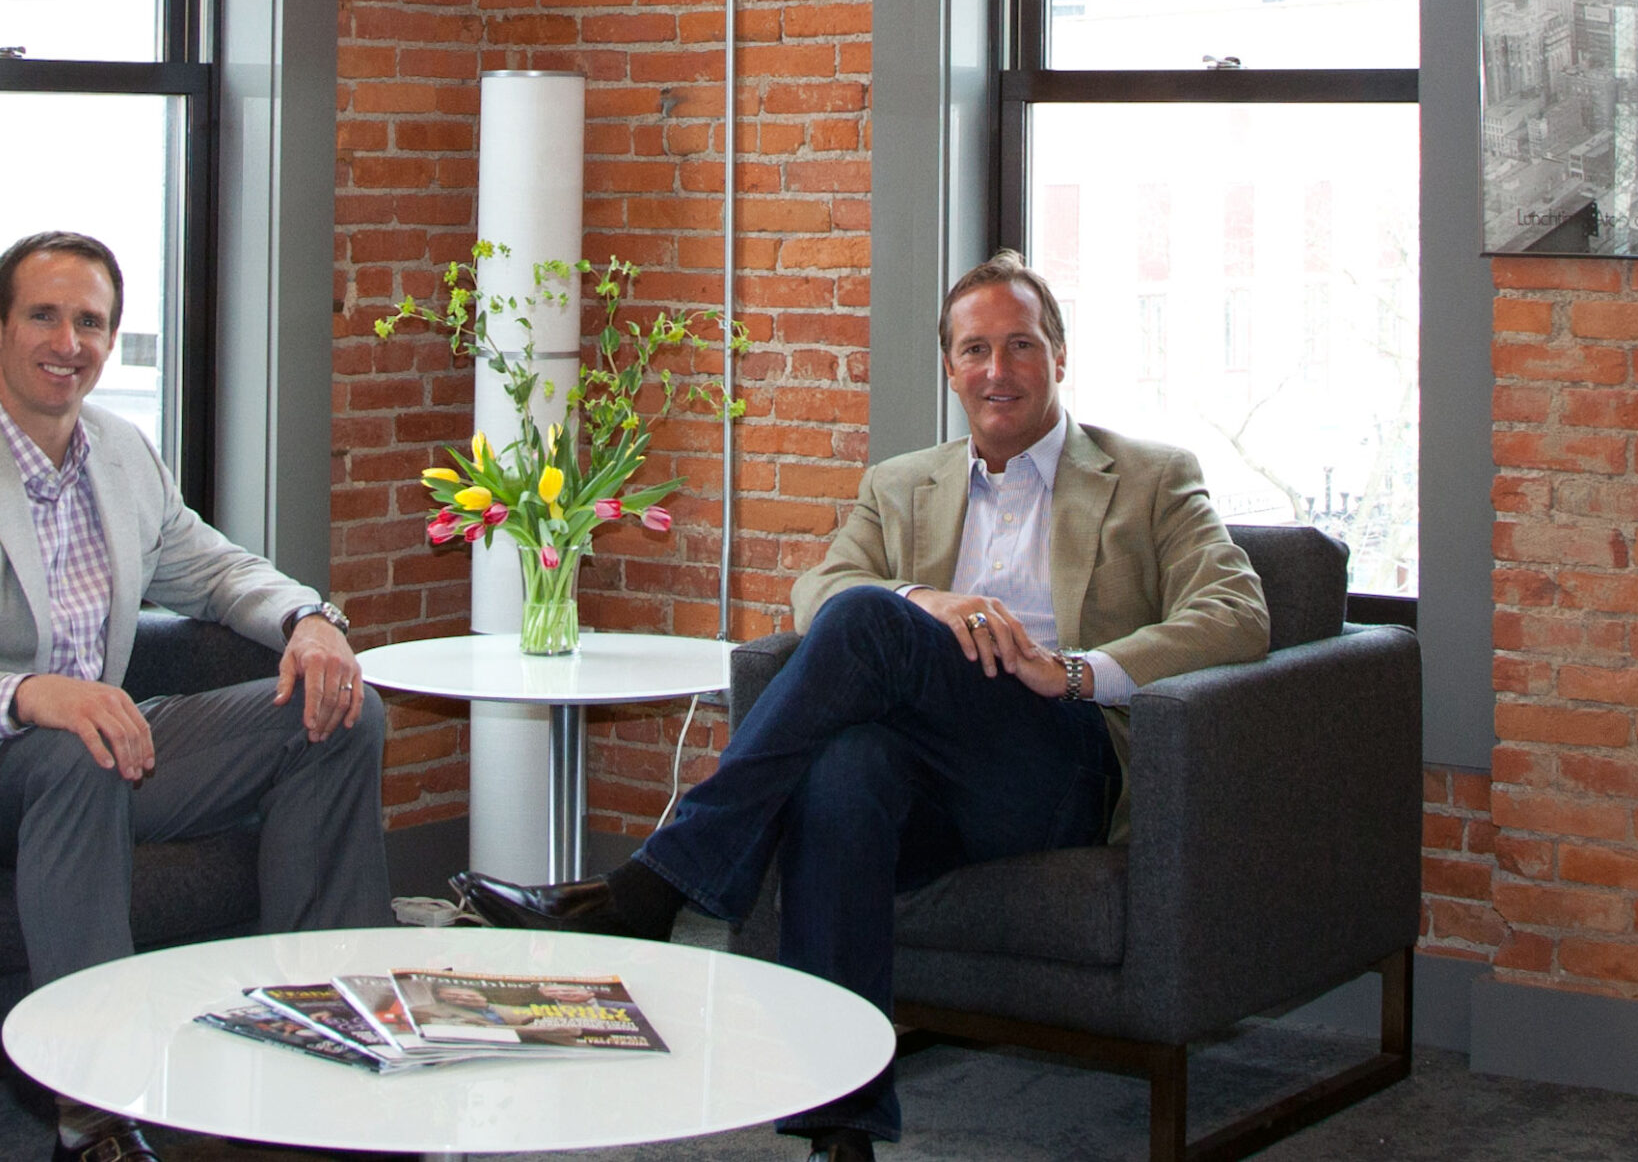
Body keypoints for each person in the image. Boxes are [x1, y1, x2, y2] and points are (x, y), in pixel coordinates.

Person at [452, 251, 1270, 1162]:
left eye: (1020, 346)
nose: (997, 370)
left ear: (1060, 356)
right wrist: (931, 605)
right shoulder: (903, 483)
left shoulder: (1151, 477)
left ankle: (656, 886)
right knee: (846, 769)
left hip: (1058, 761)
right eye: (974, 351)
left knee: (871, 620)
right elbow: (820, 592)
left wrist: (1075, 671)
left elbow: (1237, 613)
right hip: (929, 780)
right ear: (950, 369)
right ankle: (842, 1125)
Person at [0, 230, 392, 1162]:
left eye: (91, 322)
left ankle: (328, 1045)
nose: (67, 341)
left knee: (336, 713)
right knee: (76, 752)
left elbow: (217, 570)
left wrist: (309, 622)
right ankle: (100, 1118)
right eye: (44, 315)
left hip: (94, 750)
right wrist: (32, 695)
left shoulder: (120, 456)